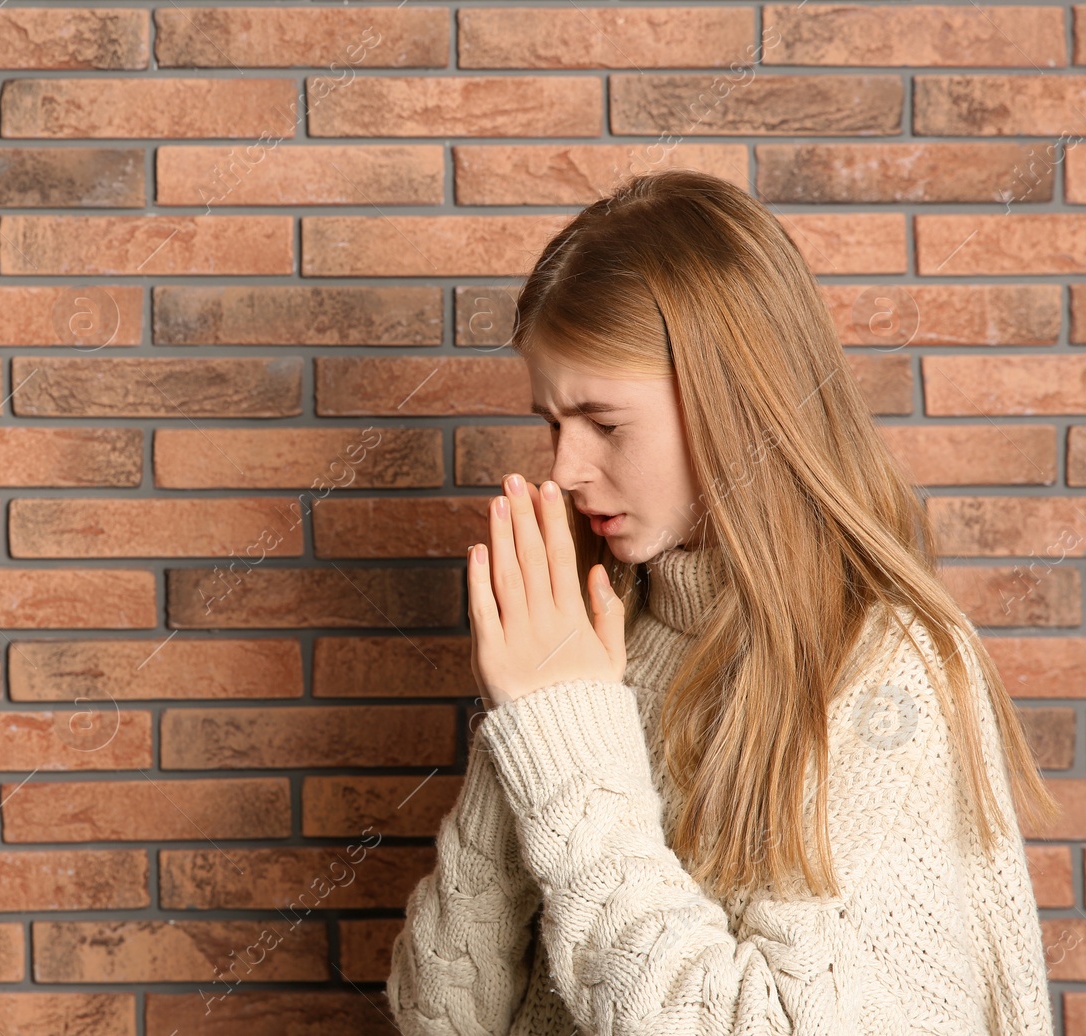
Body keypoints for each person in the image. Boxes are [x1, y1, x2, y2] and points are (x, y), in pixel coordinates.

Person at [384, 169, 1060, 1035]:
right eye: (554, 424)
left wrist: (564, 742)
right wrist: (527, 726)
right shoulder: (598, 639)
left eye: (604, 422)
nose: (565, 469)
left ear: (733, 402)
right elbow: (439, 1012)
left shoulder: (887, 670)